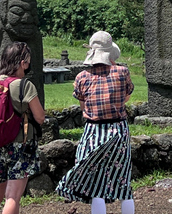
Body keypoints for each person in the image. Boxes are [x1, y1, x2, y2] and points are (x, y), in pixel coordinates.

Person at [56, 31, 135, 214]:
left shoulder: (82, 77)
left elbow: (84, 107)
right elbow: (126, 97)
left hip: (93, 131)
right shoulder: (122, 72)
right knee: (123, 178)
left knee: (94, 180)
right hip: (118, 130)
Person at [0, 41, 45, 214]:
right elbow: (40, 117)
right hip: (20, 143)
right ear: (23, 63)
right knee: (12, 197)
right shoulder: (24, 85)